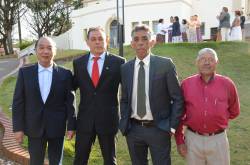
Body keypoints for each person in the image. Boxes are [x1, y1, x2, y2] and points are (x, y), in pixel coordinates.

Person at [119, 24, 184, 165]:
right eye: (136, 39)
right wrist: (125, 124)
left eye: (144, 38)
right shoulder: (125, 68)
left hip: (159, 129)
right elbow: (124, 99)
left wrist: (171, 126)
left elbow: (177, 98)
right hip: (133, 130)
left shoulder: (165, 64)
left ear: (152, 42)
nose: (140, 42)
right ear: (132, 44)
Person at [12, 37, 76, 165]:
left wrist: (71, 126)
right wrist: (18, 128)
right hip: (34, 128)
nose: (45, 51)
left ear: (55, 51)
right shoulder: (25, 73)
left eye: (49, 48)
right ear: (35, 51)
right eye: (41, 48)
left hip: (57, 128)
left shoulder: (66, 74)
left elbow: (70, 102)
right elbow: (18, 102)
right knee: (35, 162)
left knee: (56, 162)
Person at [175, 48, 240, 165]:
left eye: (211, 59)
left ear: (216, 62)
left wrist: (216, 118)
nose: (206, 62)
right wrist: (180, 141)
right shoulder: (186, 84)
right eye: (203, 59)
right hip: (193, 139)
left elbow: (234, 111)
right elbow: (178, 114)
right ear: (197, 62)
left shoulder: (227, 84)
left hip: (218, 140)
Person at [73, 27, 125, 165]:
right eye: (93, 39)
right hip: (85, 121)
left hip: (108, 120)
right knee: (79, 160)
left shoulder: (119, 62)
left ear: (107, 40)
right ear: (87, 42)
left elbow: (127, 92)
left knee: (110, 161)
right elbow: (71, 89)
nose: (97, 42)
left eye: (101, 38)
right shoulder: (78, 63)